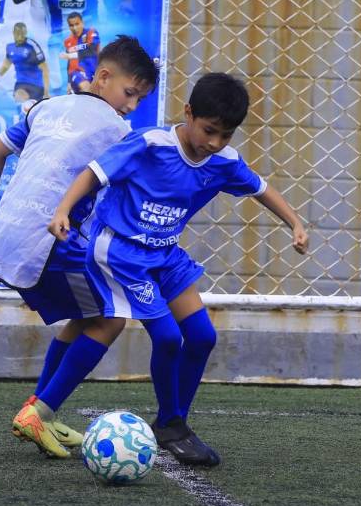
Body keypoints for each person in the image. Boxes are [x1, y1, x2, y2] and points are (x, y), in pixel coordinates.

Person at [44, 72, 309, 466]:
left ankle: (170, 423)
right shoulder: (151, 144)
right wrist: (63, 209)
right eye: (209, 131)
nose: (215, 143)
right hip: (120, 252)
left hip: (164, 255)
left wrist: (295, 222)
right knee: (165, 337)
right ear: (187, 113)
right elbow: (93, 172)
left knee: (201, 337)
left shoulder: (222, 161)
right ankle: (163, 421)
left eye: (227, 135)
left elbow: (260, 187)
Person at [0, 36, 159, 459]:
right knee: (110, 318)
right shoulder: (117, 131)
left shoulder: (46, 107)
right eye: (130, 93)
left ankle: (42, 412)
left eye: (140, 99)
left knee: (83, 316)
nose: (131, 106)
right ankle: (42, 410)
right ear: (104, 76)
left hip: (8, 234)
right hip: (52, 239)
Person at [0, 22, 49, 109]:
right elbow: (6, 65)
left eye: (22, 34)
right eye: (18, 33)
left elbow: (45, 68)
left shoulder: (32, 46)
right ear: (13, 33)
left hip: (36, 85)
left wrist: (46, 91)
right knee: (20, 101)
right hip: (21, 84)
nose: (20, 36)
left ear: (26, 33)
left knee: (34, 112)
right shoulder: (10, 47)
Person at [60, 11, 100, 94]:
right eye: (71, 25)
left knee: (90, 96)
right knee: (87, 89)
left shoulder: (91, 33)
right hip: (77, 73)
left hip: (94, 73)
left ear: (82, 23)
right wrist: (68, 82)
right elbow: (70, 64)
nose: (74, 28)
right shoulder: (68, 41)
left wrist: (70, 56)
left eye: (77, 24)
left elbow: (92, 51)